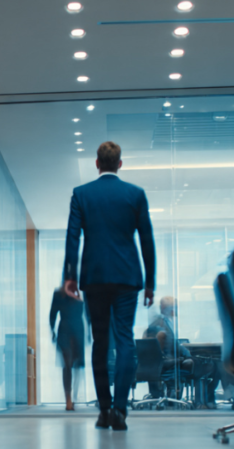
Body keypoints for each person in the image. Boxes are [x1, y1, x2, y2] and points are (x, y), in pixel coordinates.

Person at [63, 141, 156, 431]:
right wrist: (150, 281)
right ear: (119, 164)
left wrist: (70, 276)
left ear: (96, 163)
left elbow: (73, 237)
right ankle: (120, 411)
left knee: (101, 342)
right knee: (125, 339)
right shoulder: (135, 194)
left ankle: (104, 411)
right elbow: (146, 239)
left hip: (95, 277)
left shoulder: (82, 194)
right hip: (128, 277)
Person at [49, 286, 86, 411]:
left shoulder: (81, 291)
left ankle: (73, 397)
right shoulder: (60, 293)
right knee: (67, 365)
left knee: (76, 365)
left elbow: (88, 311)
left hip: (77, 330)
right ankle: (68, 399)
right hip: (65, 330)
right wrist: (52, 330)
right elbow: (53, 313)